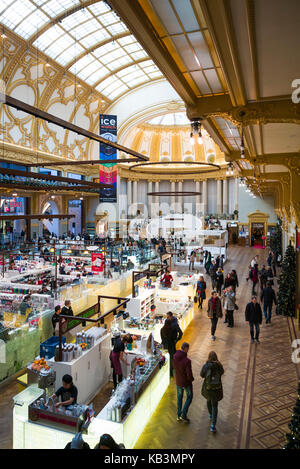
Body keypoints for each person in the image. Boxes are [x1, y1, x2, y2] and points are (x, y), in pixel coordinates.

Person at [200, 351, 224, 433]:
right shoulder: (218, 365)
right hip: (217, 389)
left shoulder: (206, 366)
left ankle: (210, 415)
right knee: (215, 405)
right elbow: (222, 372)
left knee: (208, 400)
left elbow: (201, 375)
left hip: (208, 388)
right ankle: (213, 426)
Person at [173, 342, 194, 423]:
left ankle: (178, 415)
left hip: (178, 381)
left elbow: (174, 368)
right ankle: (184, 414)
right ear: (185, 348)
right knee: (189, 396)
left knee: (179, 397)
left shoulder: (174, 357)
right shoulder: (187, 361)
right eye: (188, 348)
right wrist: (191, 379)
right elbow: (189, 374)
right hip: (186, 382)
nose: (188, 350)